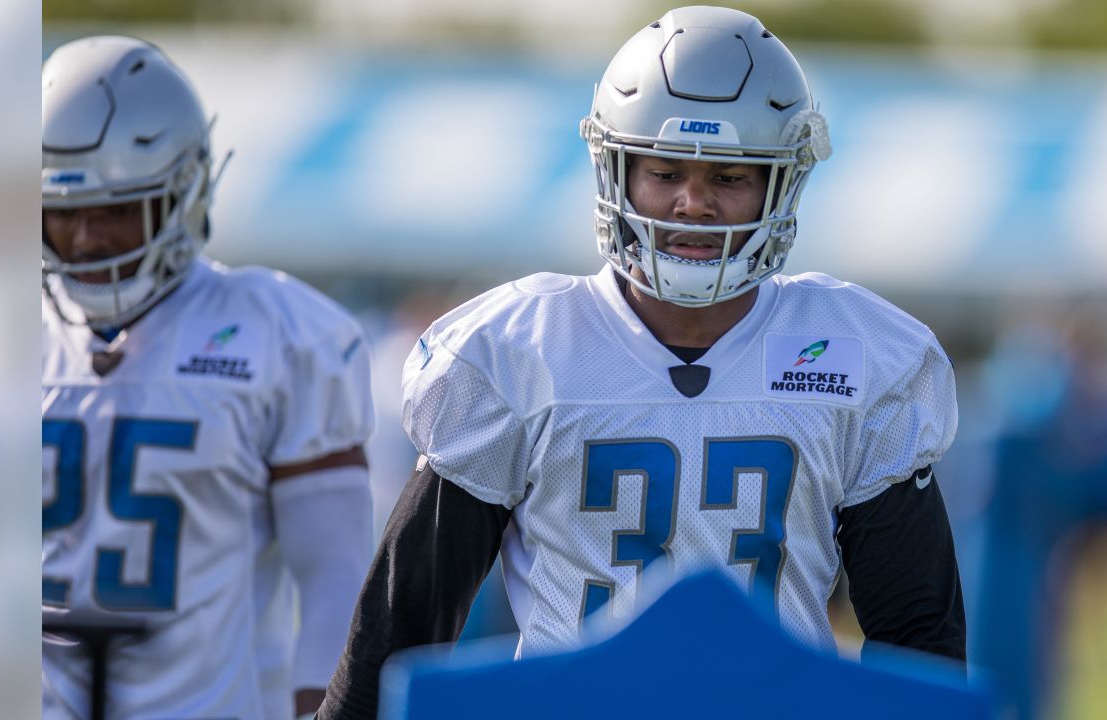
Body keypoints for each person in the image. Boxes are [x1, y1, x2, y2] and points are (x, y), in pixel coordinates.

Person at [318, 7, 964, 717]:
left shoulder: (856, 353)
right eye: (664, 172)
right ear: (616, 171)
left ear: (781, 184)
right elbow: (406, 618)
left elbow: (916, 642)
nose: (693, 202)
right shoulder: (522, 351)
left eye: (730, 176)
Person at [41, 36, 375, 720]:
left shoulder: (280, 331)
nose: (85, 240)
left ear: (182, 192)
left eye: (113, 209)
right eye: (65, 212)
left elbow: (335, 576)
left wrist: (322, 710)